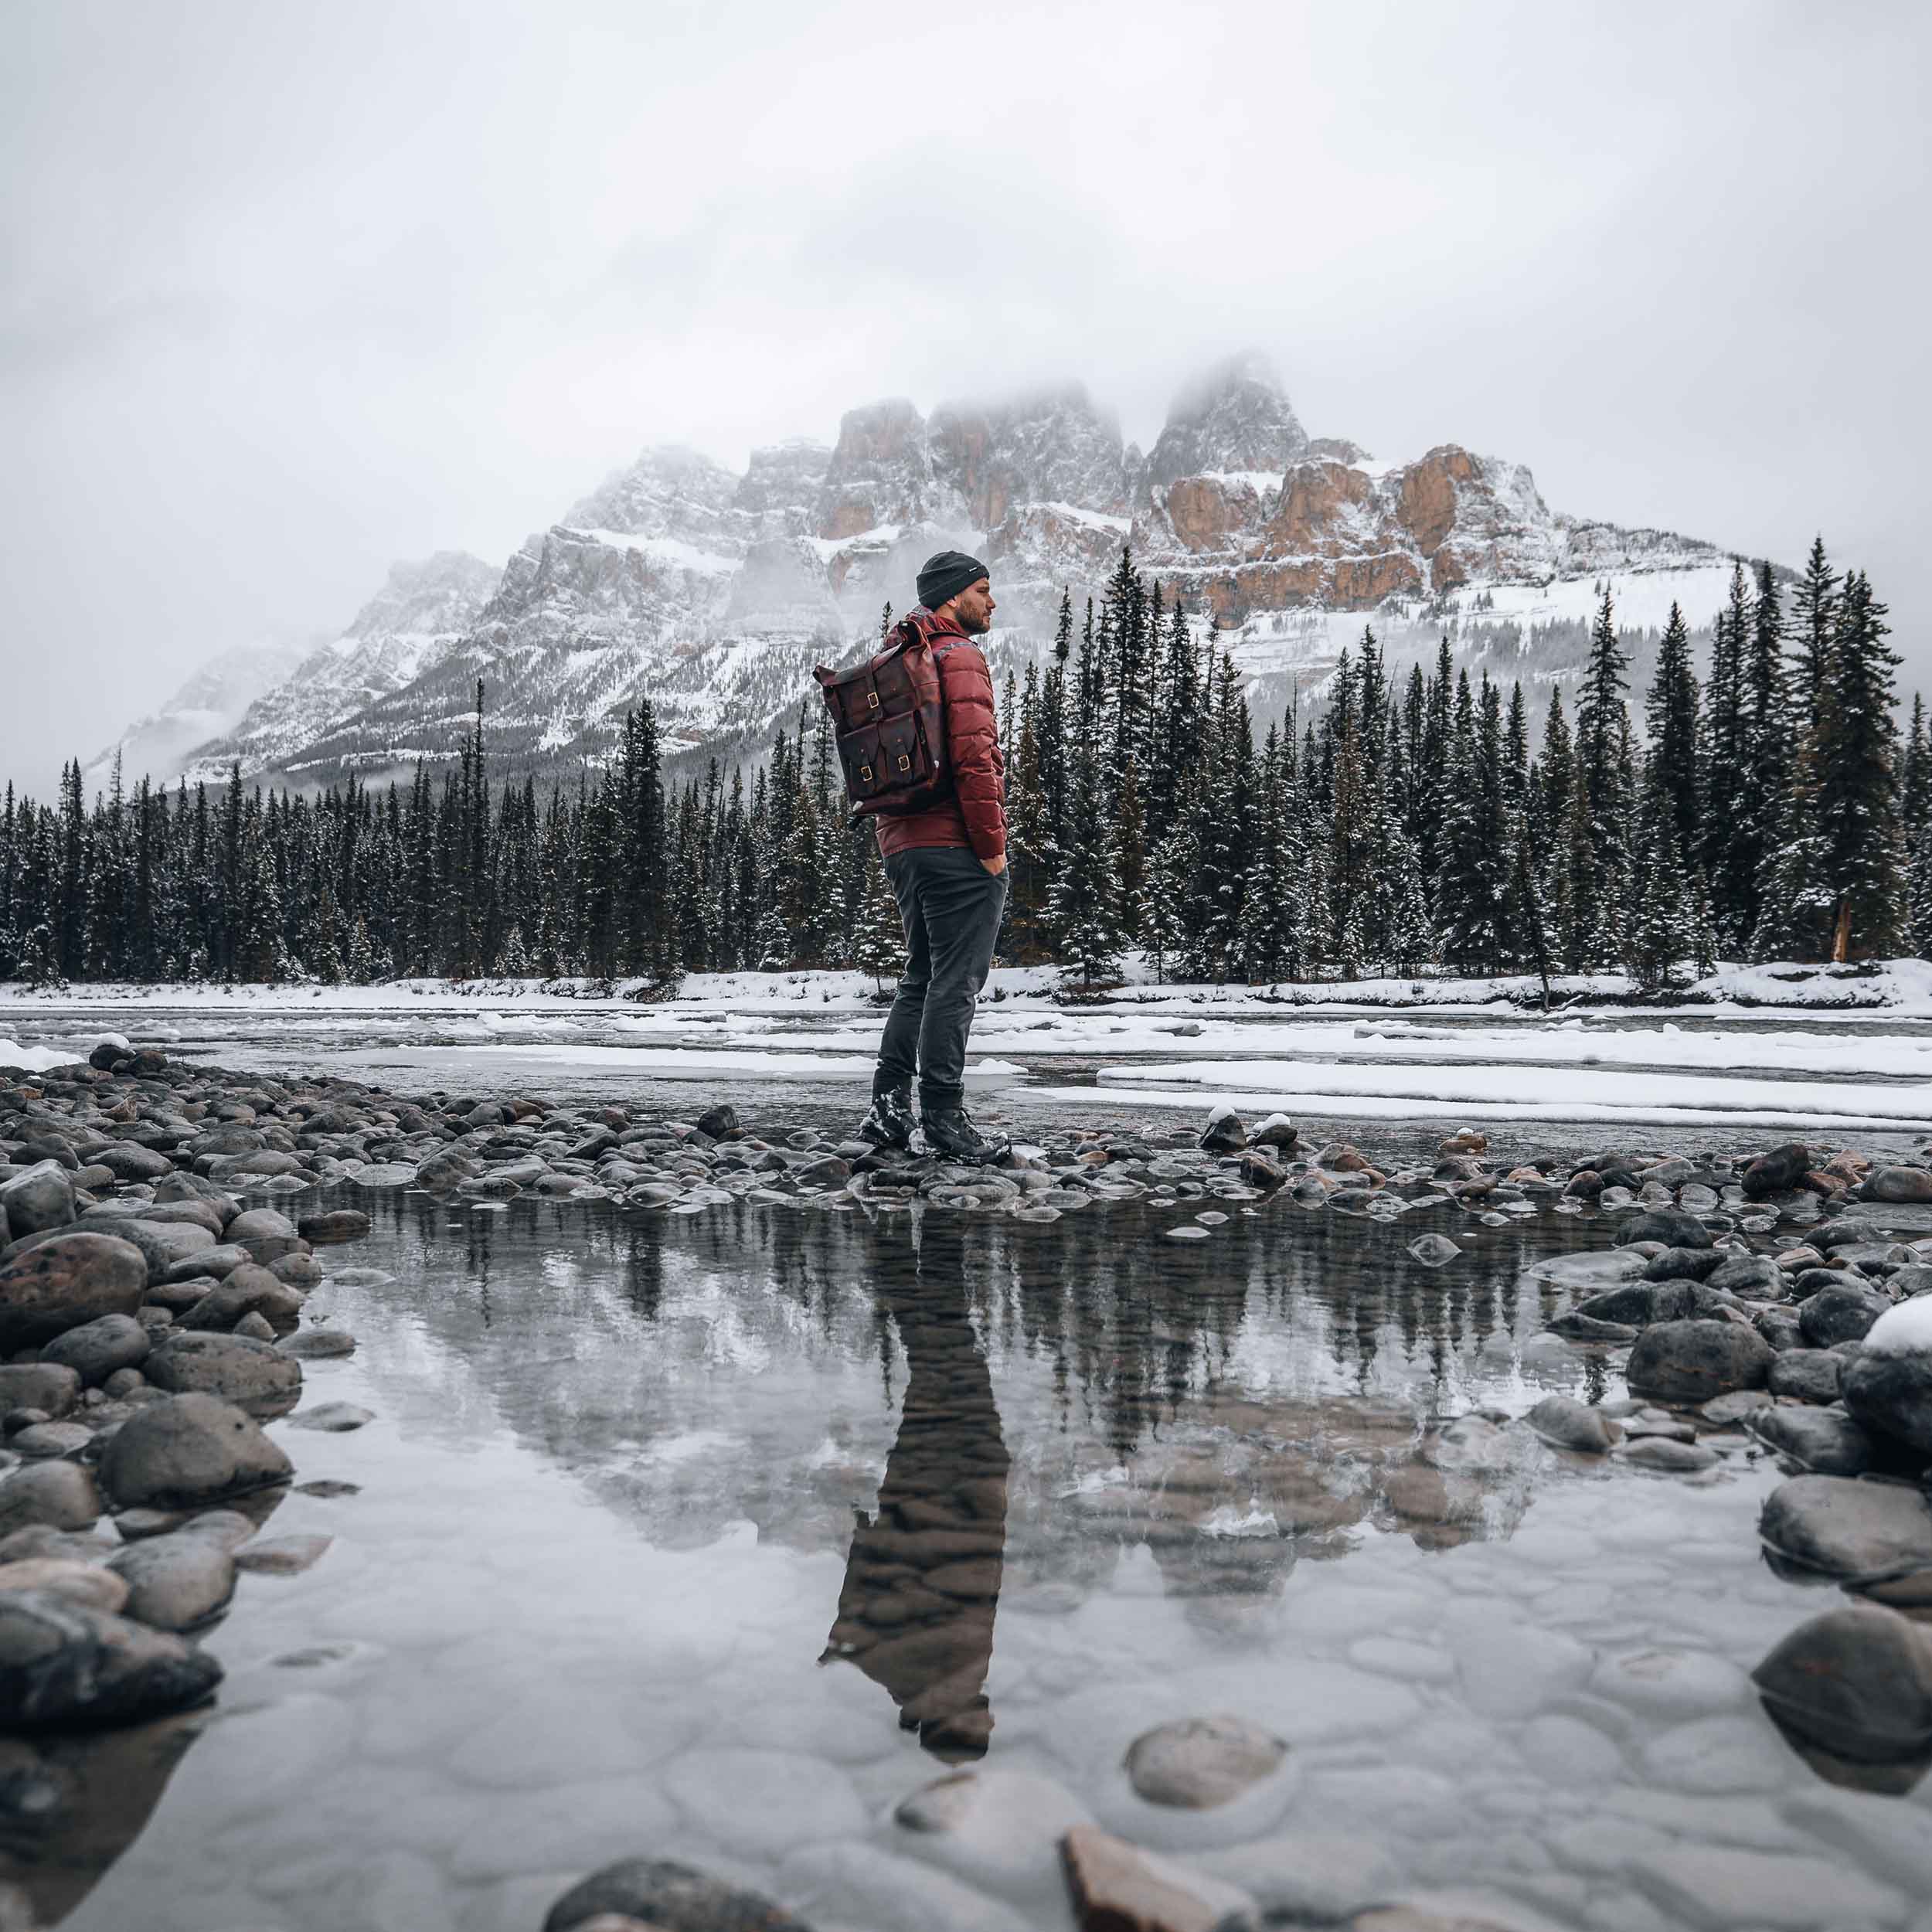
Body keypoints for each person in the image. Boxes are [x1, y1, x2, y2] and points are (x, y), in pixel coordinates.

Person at [859, 550, 1012, 1164]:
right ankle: (945, 1116)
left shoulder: (897, 655)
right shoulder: (958, 656)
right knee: (956, 982)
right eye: (983, 589)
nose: (992, 601)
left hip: (902, 845)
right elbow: (977, 761)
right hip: (955, 845)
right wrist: (992, 849)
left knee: (919, 978)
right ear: (953, 598)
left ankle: (888, 1110)